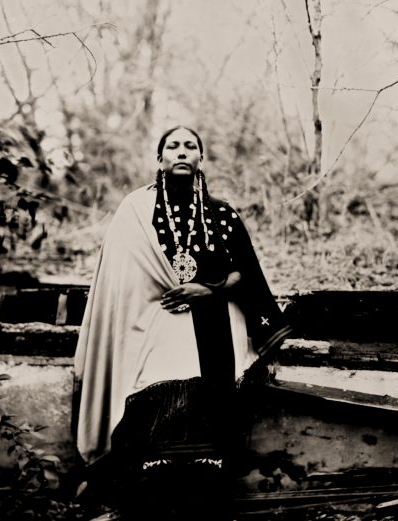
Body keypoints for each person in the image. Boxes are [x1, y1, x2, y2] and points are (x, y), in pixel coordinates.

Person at [73, 126, 292, 520]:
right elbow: (119, 282)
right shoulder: (136, 212)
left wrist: (208, 289)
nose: (181, 151)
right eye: (172, 146)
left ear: (200, 158)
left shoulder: (221, 214)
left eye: (190, 146)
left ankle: (203, 502)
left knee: (207, 418)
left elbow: (244, 272)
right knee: (150, 412)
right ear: (160, 158)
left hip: (214, 329)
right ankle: (146, 501)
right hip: (149, 328)